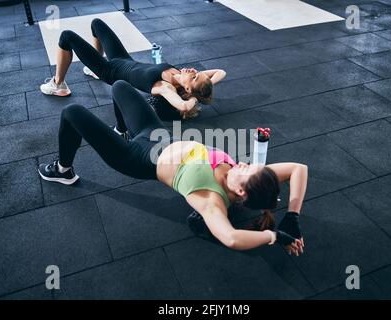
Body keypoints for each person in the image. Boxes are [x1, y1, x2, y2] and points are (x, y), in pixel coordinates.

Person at [38, 80, 308, 254]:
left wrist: (273, 237)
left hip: (134, 157)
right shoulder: (253, 181)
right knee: (120, 86)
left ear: (240, 191)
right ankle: (120, 129)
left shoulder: (211, 200)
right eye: (250, 165)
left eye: (246, 170)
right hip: (157, 136)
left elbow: (232, 238)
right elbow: (299, 169)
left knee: (72, 112)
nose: (244, 163)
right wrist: (293, 217)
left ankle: (64, 170)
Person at [40, 18, 226, 119]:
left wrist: (195, 98)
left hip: (109, 71)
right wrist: (203, 89)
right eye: (197, 73)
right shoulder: (182, 76)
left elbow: (184, 105)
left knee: (66, 37)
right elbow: (221, 72)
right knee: (97, 24)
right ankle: (92, 69)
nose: (194, 71)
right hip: (122, 58)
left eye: (194, 77)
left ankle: (58, 84)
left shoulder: (165, 87)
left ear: (187, 89)